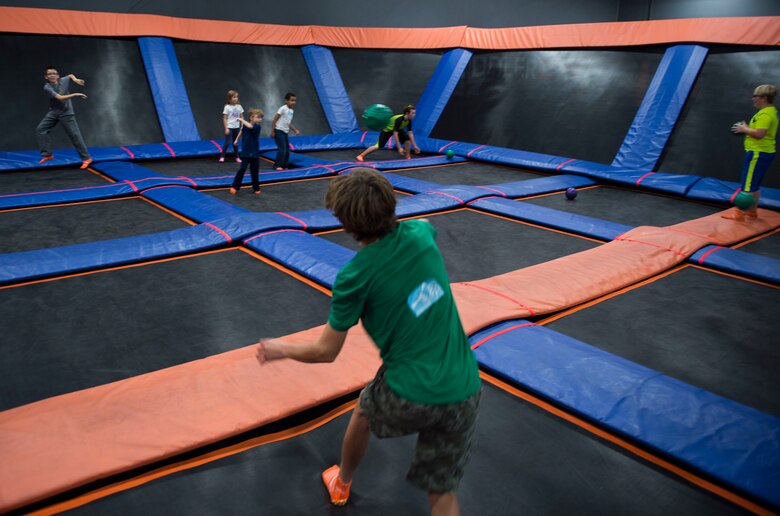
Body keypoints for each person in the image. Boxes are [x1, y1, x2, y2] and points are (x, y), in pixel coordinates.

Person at [256, 168, 481, 516]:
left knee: (364, 409)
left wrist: (278, 349)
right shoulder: (422, 233)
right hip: (464, 385)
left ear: (346, 225)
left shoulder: (354, 277)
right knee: (442, 494)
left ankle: (342, 483)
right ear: (391, 206)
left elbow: (325, 352)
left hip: (410, 391)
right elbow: (416, 265)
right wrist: (415, 299)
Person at [724, 84, 778, 220]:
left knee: (747, 186)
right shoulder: (771, 111)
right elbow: (762, 131)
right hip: (764, 152)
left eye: (755, 96)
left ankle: (739, 214)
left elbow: (760, 134)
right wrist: (748, 127)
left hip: (757, 153)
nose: (753, 99)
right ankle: (752, 212)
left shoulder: (765, 114)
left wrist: (744, 129)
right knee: (754, 185)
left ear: (764, 98)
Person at [36, 66, 92, 169]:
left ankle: (86, 158)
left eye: (54, 73)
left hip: (66, 113)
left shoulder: (63, 80)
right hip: (54, 112)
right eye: (49, 74)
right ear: (46, 77)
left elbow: (70, 75)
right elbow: (60, 98)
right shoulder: (47, 87)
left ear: (58, 76)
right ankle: (48, 155)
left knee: (75, 136)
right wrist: (75, 94)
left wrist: (75, 79)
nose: (52, 75)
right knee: (41, 129)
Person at [356, 104, 421, 162]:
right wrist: (399, 148)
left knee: (407, 140)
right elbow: (395, 134)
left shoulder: (409, 120)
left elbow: (410, 133)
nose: (414, 115)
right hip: (387, 131)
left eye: (414, 113)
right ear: (407, 113)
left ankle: (408, 156)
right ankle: (361, 155)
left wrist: (415, 146)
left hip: (398, 129)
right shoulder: (399, 119)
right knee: (378, 146)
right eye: (413, 113)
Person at [229, 108, 264, 195]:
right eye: (258, 117)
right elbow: (241, 130)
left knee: (254, 170)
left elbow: (250, 126)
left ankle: (256, 187)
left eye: (261, 118)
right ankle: (235, 186)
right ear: (251, 117)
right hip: (246, 151)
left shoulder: (257, 127)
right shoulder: (245, 125)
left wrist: (241, 119)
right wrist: (236, 140)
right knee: (242, 169)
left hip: (255, 152)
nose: (260, 119)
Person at [270, 92, 301, 171]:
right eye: (291, 100)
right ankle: (277, 165)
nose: (293, 102)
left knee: (287, 150)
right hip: (279, 130)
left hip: (285, 132)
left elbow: (288, 123)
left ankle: (284, 165)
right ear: (286, 101)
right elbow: (274, 119)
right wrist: (273, 131)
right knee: (282, 149)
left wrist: (295, 130)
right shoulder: (283, 108)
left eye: (294, 101)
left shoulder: (291, 111)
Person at [220, 90, 244, 163]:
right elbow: (224, 118)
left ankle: (237, 157)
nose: (235, 99)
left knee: (235, 142)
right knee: (227, 142)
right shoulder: (227, 107)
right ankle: (222, 156)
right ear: (230, 98)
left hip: (236, 127)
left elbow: (241, 116)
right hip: (230, 126)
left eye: (236, 97)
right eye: (234, 97)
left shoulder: (239, 106)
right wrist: (226, 128)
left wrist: (242, 126)